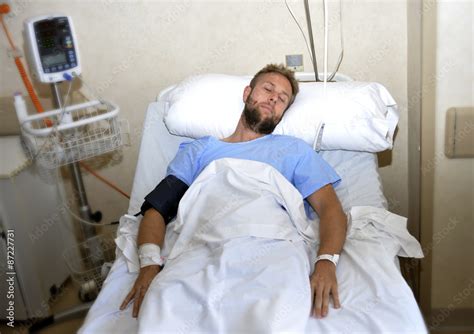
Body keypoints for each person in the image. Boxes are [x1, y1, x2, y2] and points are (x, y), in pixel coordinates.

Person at [120, 64, 347, 323]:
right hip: (202, 244)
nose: (274, 98)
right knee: (165, 310)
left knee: (273, 315)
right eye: (268, 89)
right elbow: (157, 207)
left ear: (283, 113)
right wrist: (149, 265)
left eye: (282, 99)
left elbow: (331, 208)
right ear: (247, 93)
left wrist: (326, 261)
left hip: (272, 245)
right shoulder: (200, 150)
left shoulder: (294, 150)